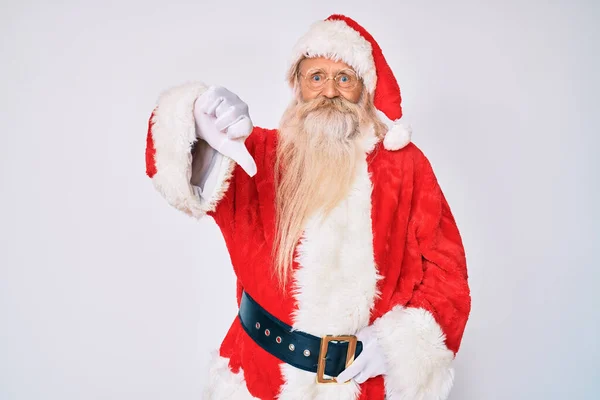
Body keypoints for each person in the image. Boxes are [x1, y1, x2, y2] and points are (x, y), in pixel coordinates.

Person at [145, 14, 471, 400]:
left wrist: (398, 345)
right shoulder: (258, 156)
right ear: (297, 86)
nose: (329, 91)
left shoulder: (405, 166)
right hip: (260, 378)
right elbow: (174, 174)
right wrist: (197, 123)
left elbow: (447, 275)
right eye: (316, 76)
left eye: (344, 78)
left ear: (364, 91)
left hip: (362, 388)